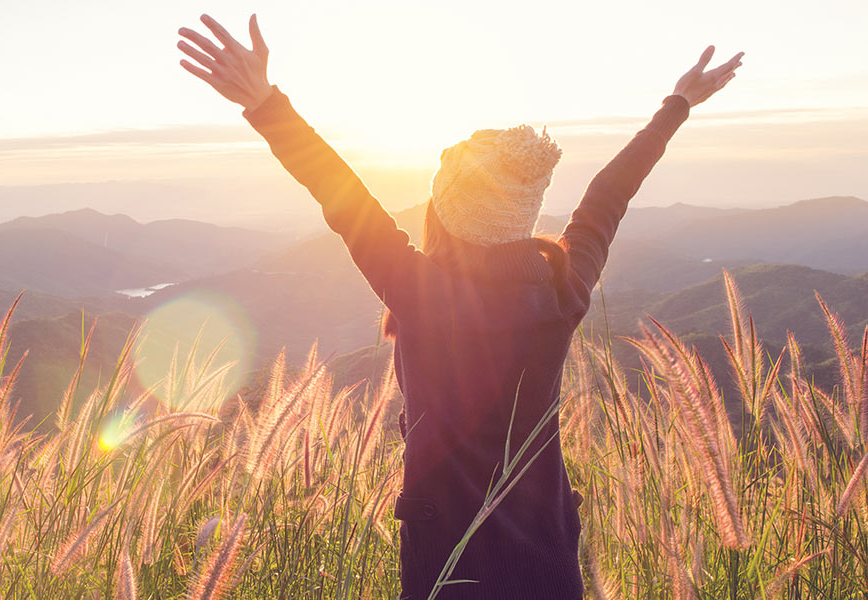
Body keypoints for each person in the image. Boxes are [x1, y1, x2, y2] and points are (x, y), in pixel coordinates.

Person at [177, 13, 742, 599]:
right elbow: (609, 195)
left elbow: (340, 194)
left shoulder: (425, 295)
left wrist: (266, 103)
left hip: (448, 568)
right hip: (549, 563)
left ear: (443, 213)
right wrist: (678, 103)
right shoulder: (563, 288)